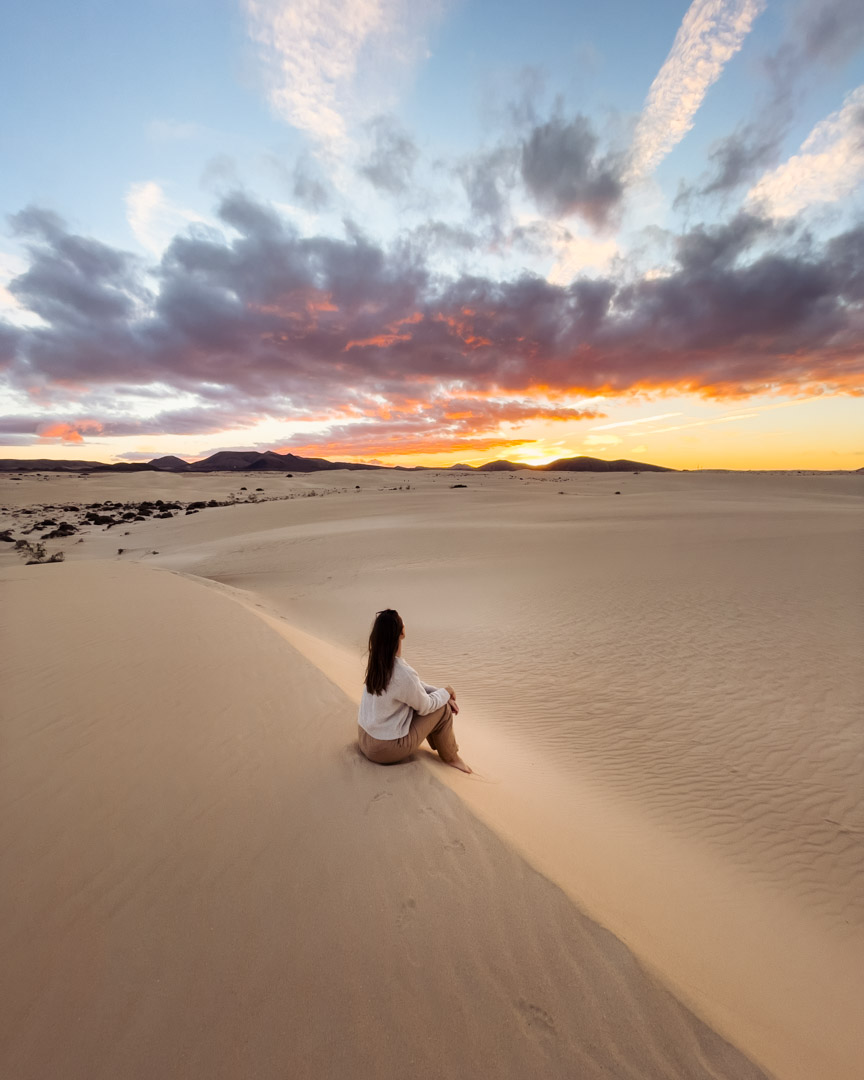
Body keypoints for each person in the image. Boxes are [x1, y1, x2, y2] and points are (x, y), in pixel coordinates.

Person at [357, 609, 472, 773]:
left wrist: (441, 693)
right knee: (443, 709)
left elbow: (411, 687)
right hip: (384, 750)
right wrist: (446, 692)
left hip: (365, 739)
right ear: (401, 632)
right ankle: (453, 758)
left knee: (434, 701)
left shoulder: (377, 662)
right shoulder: (402, 672)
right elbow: (425, 705)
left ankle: (445, 747)